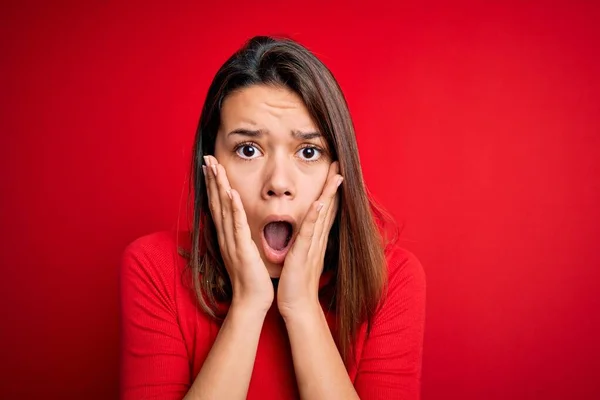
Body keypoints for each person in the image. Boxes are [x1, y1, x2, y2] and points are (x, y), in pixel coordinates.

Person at [120, 35, 426, 400]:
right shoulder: (154, 268)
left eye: (309, 151)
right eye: (248, 150)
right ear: (210, 164)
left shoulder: (391, 281)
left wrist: (302, 309)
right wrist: (248, 306)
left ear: (338, 170)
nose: (278, 183)